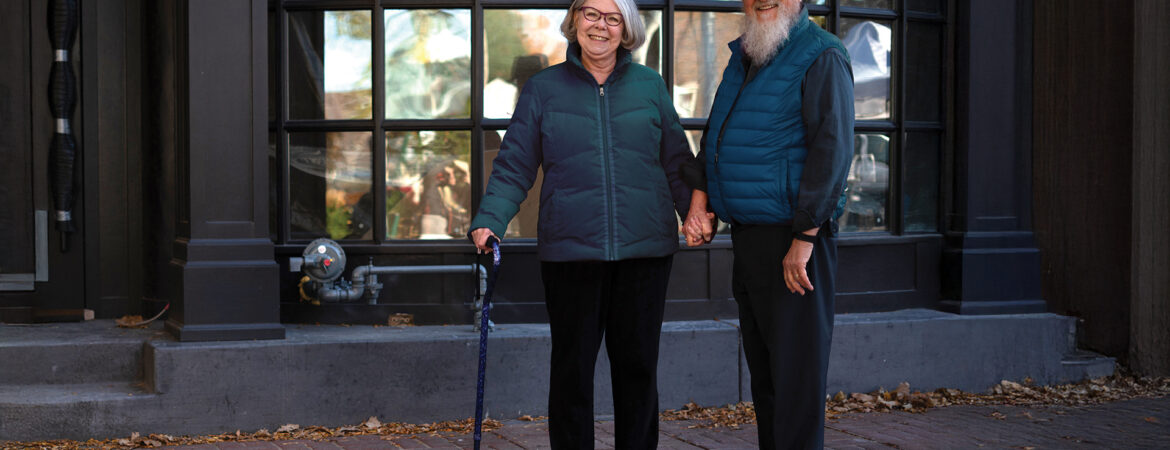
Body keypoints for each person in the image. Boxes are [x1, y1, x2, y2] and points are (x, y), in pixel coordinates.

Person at [466, 0, 693, 447]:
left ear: (626, 30)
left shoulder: (650, 86)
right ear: (574, 22)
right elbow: (515, 163)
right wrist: (491, 218)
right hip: (571, 251)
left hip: (644, 251)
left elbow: (676, 159)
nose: (601, 26)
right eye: (591, 14)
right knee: (572, 372)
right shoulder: (543, 89)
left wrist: (696, 212)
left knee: (638, 369)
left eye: (613, 18)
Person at [680, 0, 854, 448]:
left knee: (796, 382)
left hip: (795, 244)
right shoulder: (745, 56)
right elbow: (715, 137)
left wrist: (804, 237)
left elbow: (831, 151)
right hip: (751, 238)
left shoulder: (822, 53)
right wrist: (701, 203)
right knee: (768, 379)